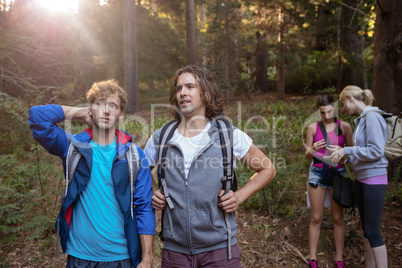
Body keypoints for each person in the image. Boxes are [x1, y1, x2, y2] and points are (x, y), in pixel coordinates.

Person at [144, 65, 276, 267]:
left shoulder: (227, 135)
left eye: (190, 87)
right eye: (179, 89)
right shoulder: (162, 137)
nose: (183, 93)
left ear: (205, 93)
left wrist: (239, 196)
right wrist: (154, 191)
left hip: (221, 251)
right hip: (174, 251)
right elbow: (141, 169)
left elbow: (268, 168)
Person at [28, 79, 155, 268]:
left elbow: (144, 207)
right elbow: (37, 117)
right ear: (90, 108)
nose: (106, 110)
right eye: (100, 104)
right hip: (80, 257)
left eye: (113, 106)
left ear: (121, 113)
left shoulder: (135, 156)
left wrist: (147, 258)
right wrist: (81, 113)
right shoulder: (72, 148)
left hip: (121, 258)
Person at [326, 85, 388, 268]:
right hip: (362, 179)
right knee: (367, 231)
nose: (344, 109)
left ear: (351, 99)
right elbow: (364, 151)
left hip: (374, 180)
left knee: (373, 231)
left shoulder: (373, 117)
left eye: (344, 104)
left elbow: (377, 151)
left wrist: (347, 149)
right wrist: (345, 156)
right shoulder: (361, 120)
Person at [304, 95, 353, 268]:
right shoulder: (312, 127)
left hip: (338, 174)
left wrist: (344, 158)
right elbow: (307, 155)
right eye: (322, 112)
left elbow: (351, 155)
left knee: (338, 218)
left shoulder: (345, 127)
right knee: (316, 217)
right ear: (318, 111)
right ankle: (312, 259)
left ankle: (339, 259)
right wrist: (313, 149)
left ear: (335, 109)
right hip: (317, 172)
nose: (326, 116)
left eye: (329, 111)